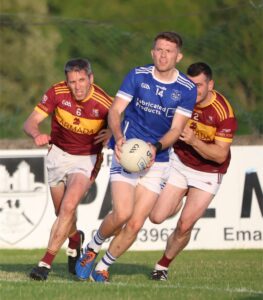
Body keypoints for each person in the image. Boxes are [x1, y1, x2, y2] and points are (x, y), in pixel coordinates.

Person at [75, 31, 197, 282]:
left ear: (179, 56)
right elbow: (115, 111)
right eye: (159, 50)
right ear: (152, 52)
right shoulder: (138, 75)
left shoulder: (186, 88)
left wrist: (155, 147)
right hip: (127, 151)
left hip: (158, 160)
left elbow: (176, 129)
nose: (163, 55)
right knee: (122, 214)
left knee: (135, 224)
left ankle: (103, 267)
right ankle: (92, 248)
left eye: (169, 51)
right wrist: (118, 137)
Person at [23, 58, 113, 281]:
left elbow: (124, 123)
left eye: (82, 80)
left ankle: (45, 264)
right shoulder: (57, 92)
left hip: (86, 159)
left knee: (68, 207)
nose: (77, 86)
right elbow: (30, 121)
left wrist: (112, 132)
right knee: (61, 213)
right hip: (57, 155)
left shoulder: (104, 102)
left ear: (91, 79)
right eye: (72, 81)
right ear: (67, 81)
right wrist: (37, 134)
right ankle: (74, 240)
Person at [149, 62, 238, 281]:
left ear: (210, 85)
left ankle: (162, 266)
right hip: (179, 163)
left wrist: (194, 140)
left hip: (208, 172)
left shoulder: (223, 112)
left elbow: (219, 155)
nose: (194, 90)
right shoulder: (180, 98)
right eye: (191, 84)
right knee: (156, 217)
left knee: (184, 225)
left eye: (199, 85)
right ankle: (177, 199)